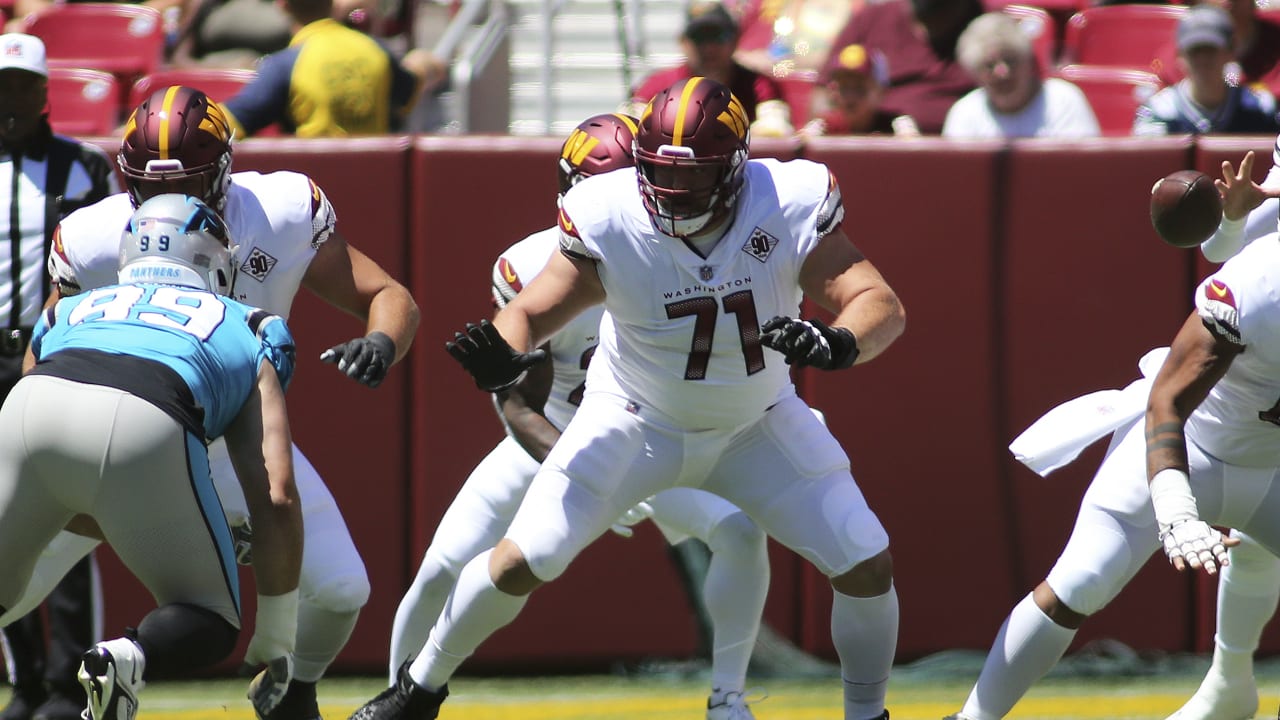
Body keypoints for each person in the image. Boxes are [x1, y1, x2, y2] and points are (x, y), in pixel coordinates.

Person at [351, 76, 906, 720]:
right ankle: (418, 688)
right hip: (634, 420)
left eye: (693, 176)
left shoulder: (787, 200)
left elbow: (879, 304)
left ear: (735, 165)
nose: (674, 192)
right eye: (662, 173)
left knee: (866, 560)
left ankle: (865, 714)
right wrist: (505, 350)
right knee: (522, 561)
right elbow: (531, 308)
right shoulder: (609, 211)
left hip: (757, 422)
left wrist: (838, 342)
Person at [9, 85, 420, 720]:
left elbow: (388, 294)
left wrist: (380, 342)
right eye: (150, 187)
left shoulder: (279, 209)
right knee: (30, 590)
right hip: (151, 430)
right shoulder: (93, 236)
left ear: (226, 169)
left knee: (341, 591)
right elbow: (46, 353)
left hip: (218, 435)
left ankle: (286, 693)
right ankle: (232, 658)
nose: (173, 200)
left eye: (196, 183)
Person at [386, 111, 774, 719]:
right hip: (562, 434)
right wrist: (591, 474)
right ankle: (398, 697)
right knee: (443, 568)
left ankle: (728, 699)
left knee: (739, 532)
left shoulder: (695, 253)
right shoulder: (533, 266)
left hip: (654, 433)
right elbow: (518, 405)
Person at [942, 176, 1280, 719]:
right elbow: (1168, 400)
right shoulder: (1262, 280)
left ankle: (1229, 687)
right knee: (1083, 579)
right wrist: (1175, 511)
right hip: (1190, 444)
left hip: (1272, 464)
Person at [0, 193, 303, 720]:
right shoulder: (253, 325)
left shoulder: (69, 308)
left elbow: (66, 470)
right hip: (150, 413)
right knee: (209, 619)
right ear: (212, 259)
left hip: (28, 409)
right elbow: (275, 496)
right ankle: (127, 657)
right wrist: (276, 635)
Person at [0, 33, 118, 720]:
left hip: (57, 353)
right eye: (1, 85)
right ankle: (26, 679)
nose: (10, 98)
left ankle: (73, 678)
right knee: (3, 520)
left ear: (46, 93)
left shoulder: (84, 168)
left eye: (21, 85)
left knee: (69, 516)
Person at [1156, 145, 1280, 720]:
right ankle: (1229, 682)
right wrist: (1233, 215)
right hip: (1249, 401)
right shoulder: (1261, 275)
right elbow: (1217, 249)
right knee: (1085, 577)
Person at [220, 0, 443, 137]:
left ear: (283, 5)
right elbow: (413, 84)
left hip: (314, 192)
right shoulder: (375, 50)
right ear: (333, 3)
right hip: (376, 182)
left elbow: (227, 124)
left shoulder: (285, 64)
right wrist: (425, 62)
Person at [624, 2, 793, 138]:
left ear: (735, 42)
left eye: (719, 37)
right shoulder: (659, 85)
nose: (710, 48)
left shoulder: (757, 86)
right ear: (683, 43)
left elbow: (775, 129)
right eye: (700, 38)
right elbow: (628, 126)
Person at [824, 0, 982, 135]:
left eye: (856, 88)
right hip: (867, 150)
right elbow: (822, 94)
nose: (849, 94)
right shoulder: (871, 19)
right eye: (846, 89)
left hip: (963, 155)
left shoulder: (990, 24)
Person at [942, 13, 1100, 139]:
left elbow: (1084, 170)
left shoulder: (1063, 100)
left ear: (1028, 62)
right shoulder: (964, 113)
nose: (1002, 73)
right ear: (975, 74)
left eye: (1010, 60)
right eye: (989, 66)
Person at [1133, 4, 1280, 136]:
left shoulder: (1260, 108)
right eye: (1195, 51)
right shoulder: (1160, 112)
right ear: (1180, 56)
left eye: (1211, 50)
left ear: (1230, 52)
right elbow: (1146, 164)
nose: (1202, 60)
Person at [800, 43, 908, 137]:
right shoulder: (824, 126)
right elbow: (802, 143)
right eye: (844, 89)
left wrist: (906, 137)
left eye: (859, 89)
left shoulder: (894, 125)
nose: (850, 98)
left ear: (880, 93)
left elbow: (912, 145)